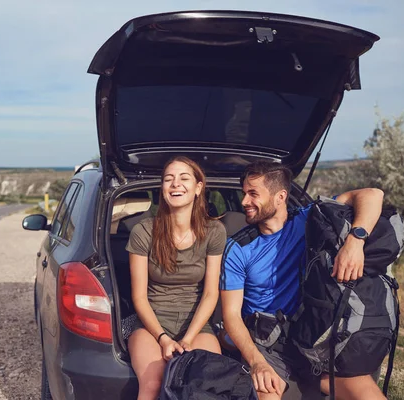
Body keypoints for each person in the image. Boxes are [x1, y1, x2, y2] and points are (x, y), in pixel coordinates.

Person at [220, 161, 386, 400]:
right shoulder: (238, 248)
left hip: (312, 339)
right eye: (244, 194)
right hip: (265, 344)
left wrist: (355, 241)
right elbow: (231, 316)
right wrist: (257, 363)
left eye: (253, 194)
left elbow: (373, 194)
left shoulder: (309, 219)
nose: (245, 201)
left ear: (280, 197)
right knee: (267, 394)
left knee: (369, 395)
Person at [126, 156, 227, 400]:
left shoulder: (214, 232)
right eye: (168, 179)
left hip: (197, 325)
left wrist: (188, 339)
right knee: (153, 382)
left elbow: (211, 293)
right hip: (151, 324)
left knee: (208, 385)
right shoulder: (144, 231)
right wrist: (163, 339)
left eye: (184, 178)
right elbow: (139, 296)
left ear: (198, 188)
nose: (175, 184)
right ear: (162, 189)